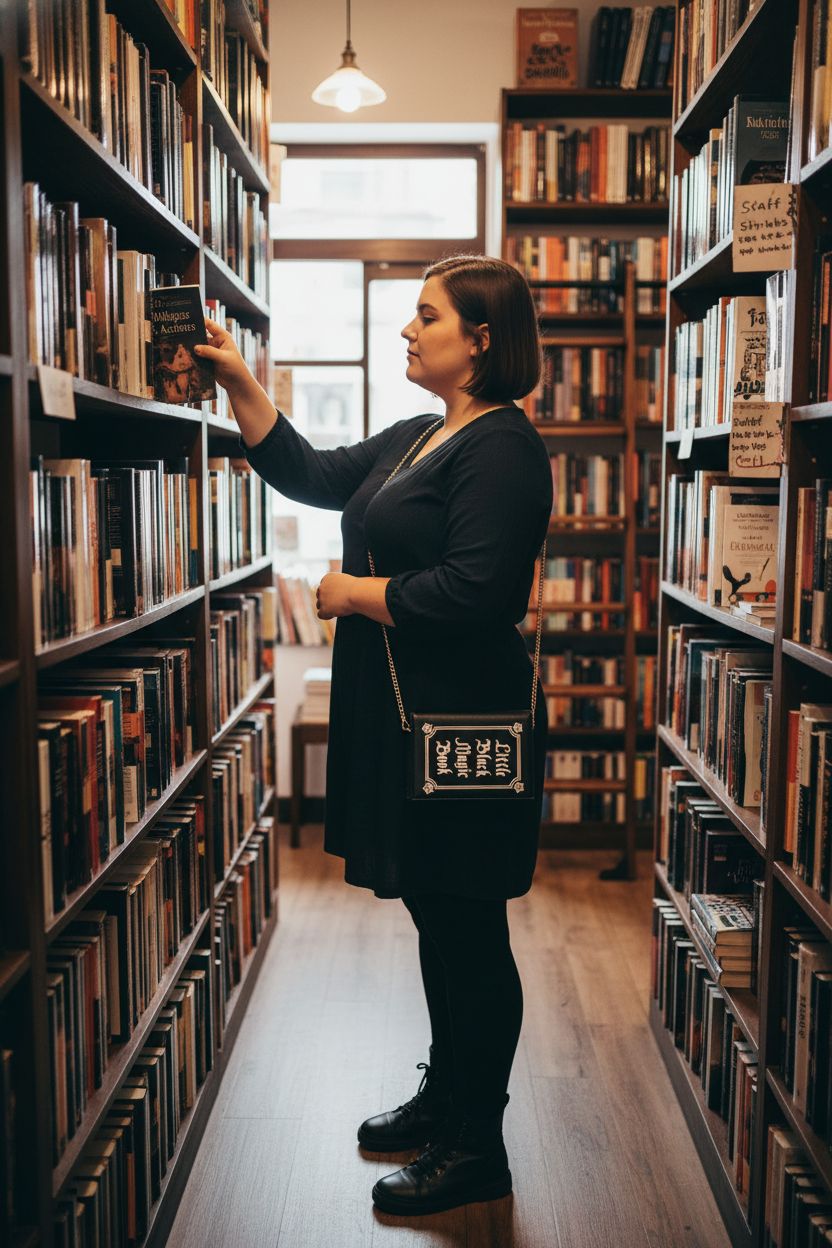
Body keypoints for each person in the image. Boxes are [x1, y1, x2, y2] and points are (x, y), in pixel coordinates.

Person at [194, 254, 553, 1217]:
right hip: (414, 721)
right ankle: (449, 1097)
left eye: (425, 316)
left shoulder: (504, 450)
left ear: (480, 341)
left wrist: (356, 594)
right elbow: (310, 473)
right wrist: (239, 381)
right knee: (440, 917)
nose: (407, 330)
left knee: (469, 926)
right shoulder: (419, 437)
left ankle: (479, 1143)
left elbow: (482, 593)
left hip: (466, 729)